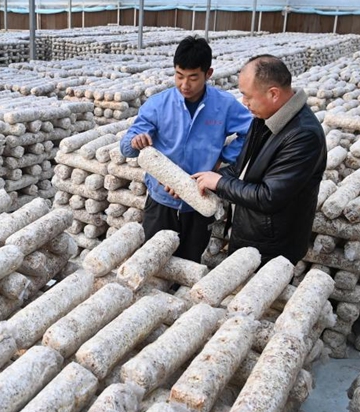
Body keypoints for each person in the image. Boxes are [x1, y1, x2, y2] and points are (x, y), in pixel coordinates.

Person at [119, 35, 252, 263]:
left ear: (208, 74)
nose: (184, 85)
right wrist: (135, 141)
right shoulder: (158, 104)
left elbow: (250, 132)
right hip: (161, 201)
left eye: (193, 78)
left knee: (190, 260)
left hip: (199, 200)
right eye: (179, 76)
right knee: (154, 261)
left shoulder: (224, 105)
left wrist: (224, 157)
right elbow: (126, 147)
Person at [193, 54, 327, 264]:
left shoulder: (303, 135)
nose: (244, 102)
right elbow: (241, 169)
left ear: (273, 94)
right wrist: (199, 181)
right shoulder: (264, 117)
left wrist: (219, 183)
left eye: (247, 96)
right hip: (250, 232)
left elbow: (269, 197)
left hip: (272, 247)